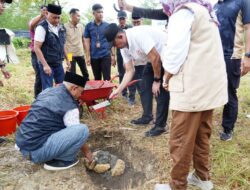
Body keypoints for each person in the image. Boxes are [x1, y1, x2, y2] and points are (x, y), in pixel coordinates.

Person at [153, 0, 228, 189]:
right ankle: (202, 178)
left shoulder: (183, 13)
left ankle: (177, 185)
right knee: (202, 134)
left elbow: (174, 55)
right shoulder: (205, 11)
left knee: (180, 139)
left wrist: (166, 77)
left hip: (191, 87)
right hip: (208, 85)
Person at [15, 71, 93, 171]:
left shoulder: (47, 91)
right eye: (81, 92)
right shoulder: (70, 107)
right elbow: (76, 132)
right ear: (74, 88)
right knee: (83, 130)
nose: (80, 95)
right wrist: (87, 152)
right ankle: (62, 161)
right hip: (35, 152)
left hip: (22, 144)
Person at [105, 23, 170, 137]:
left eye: (114, 44)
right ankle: (147, 116)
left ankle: (161, 126)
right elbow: (129, 71)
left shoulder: (138, 35)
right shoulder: (123, 48)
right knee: (144, 86)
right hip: (153, 60)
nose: (115, 47)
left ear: (120, 36)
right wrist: (118, 90)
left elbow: (156, 58)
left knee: (159, 90)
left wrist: (157, 80)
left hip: (166, 56)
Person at [214, 0, 250, 141]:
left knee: (229, 92)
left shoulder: (242, 2)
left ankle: (228, 128)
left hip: (231, 56)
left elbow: (248, 27)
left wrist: (248, 56)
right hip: (214, 55)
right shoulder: (216, 5)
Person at [34, 4, 69, 90]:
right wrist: (45, 65)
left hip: (58, 63)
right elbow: (36, 47)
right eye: (54, 17)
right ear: (46, 14)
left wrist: (68, 59)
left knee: (62, 87)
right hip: (47, 63)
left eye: (58, 17)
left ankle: (59, 103)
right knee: (48, 89)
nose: (57, 20)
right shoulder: (41, 28)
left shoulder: (62, 28)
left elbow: (63, 45)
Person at [84, 3, 115, 81]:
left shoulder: (107, 25)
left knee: (107, 78)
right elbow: (87, 41)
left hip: (105, 55)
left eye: (102, 12)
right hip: (94, 56)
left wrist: (113, 55)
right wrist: (88, 56)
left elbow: (111, 41)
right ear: (93, 13)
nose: (101, 14)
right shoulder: (88, 26)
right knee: (97, 78)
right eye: (98, 12)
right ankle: (99, 93)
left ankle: (108, 93)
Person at [116, 11, 136, 105]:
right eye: (120, 19)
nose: (122, 20)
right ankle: (123, 92)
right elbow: (113, 45)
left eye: (123, 18)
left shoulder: (130, 28)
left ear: (126, 19)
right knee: (121, 73)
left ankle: (132, 96)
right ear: (118, 19)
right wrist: (112, 56)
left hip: (130, 53)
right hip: (120, 53)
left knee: (131, 73)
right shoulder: (115, 29)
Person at [64, 8, 89, 81]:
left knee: (85, 72)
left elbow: (83, 40)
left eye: (79, 16)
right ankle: (73, 90)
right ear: (72, 16)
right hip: (70, 54)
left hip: (80, 53)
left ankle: (87, 88)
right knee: (72, 74)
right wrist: (66, 57)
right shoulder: (65, 27)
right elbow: (64, 43)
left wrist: (87, 53)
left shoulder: (81, 26)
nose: (79, 18)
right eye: (78, 16)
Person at [29, 5, 47, 98]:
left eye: (46, 11)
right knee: (39, 75)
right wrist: (41, 16)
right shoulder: (36, 20)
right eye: (43, 10)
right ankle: (37, 98)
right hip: (35, 53)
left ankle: (45, 96)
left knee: (46, 75)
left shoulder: (49, 22)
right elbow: (31, 25)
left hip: (46, 53)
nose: (44, 12)